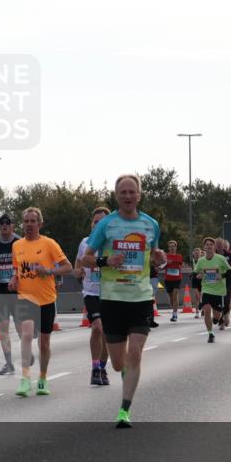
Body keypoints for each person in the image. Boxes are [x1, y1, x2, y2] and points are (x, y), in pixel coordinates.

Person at [80, 174, 167, 428]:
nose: (128, 196)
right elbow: (86, 259)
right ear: (117, 196)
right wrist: (106, 261)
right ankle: (124, 371)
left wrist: (158, 258)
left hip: (140, 298)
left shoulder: (151, 225)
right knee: (118, 364)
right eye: (123, 192)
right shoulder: (106, 225)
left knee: (136, 354)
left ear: (139, 195)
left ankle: (124, 410)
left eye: (132, 192)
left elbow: (154, 258)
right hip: (112, 299)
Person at [9, 207, 72, 397]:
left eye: (32, 221)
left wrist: (50, 271)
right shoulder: (17, 245)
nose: (28, 224)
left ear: (39, 224)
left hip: (46, 299)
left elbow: (68, 267)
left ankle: (43, 379)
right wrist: (14, 279)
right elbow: (16, 268)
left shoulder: (49, 244)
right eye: (26, 221)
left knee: (44, 343)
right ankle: (25, 378)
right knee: (26, 335)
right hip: (25, 298)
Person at [75, 207, 112, 385]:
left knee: (107, 334)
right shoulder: (85, 242)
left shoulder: (113, 243)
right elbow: (78, 260)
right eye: (95, 221)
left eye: (101, 221)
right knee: (97, 328)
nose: (97, 224)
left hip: (110, 293)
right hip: (91, 292)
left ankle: (103, 367)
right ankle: (95, 367)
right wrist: (77, 270)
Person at [0, 214, 21, 375]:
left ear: (13, 226)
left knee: (22, 329)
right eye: (1, 223)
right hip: (0, 293)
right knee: (3, 330)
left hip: (17, 293)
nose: (4, 225)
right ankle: (9, 363)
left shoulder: (19, 243)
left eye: (8, 223)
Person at [193, 237, 231, 343]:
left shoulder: (220, 259)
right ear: (204, 247)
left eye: (211, 244)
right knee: (206, 310)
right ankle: (210, 334)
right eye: (207, 245)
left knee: (216, 315)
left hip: (219, 291)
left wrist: (221, 275)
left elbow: (229, 272)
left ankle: (217, 318)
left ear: (214, 247)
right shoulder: (201, 261)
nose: (209, 246)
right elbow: (195, 273)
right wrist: (198, 276)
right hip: (206, 289)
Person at [163, 240, 184, 321]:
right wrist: (166, 262)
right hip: (168, 279)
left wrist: (175, 263)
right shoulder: (165, 256)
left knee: (175, 295)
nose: (172, 248)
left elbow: (181, 265)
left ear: (176, 247)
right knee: (171, 298)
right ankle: (174, 310)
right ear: (168, 248)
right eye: (170, 246)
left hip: (177, 279)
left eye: (173, 246)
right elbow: (162, 265)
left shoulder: (179, 256)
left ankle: (175, 315)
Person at [191, 246, 203, 318]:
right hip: (195, 278)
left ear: (200, 253)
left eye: (198, 253)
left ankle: (203, 309)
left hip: (202, 278)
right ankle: (197, 312)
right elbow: (193, 269)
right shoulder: (191, 260)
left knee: (202, 295)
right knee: (196, 295)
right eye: (195, 252)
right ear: (193, 254)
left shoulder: (203, 260)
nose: (197, 254)